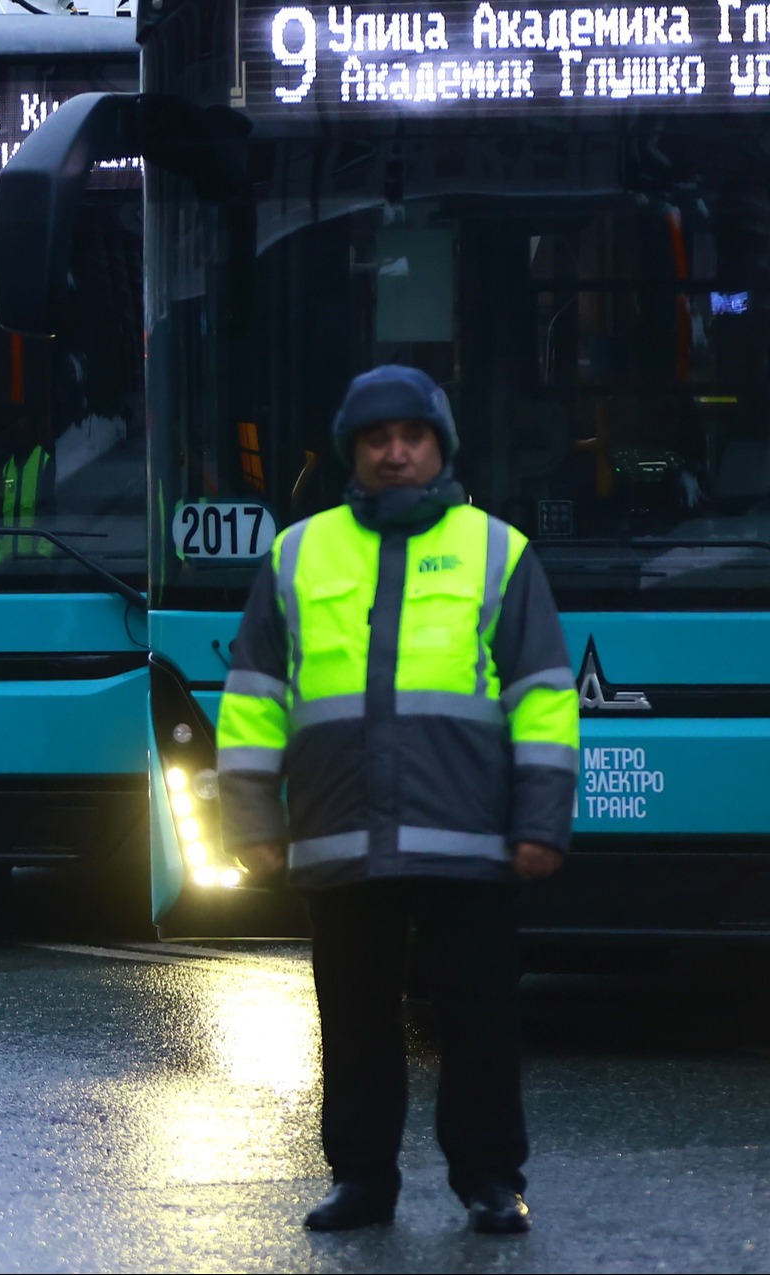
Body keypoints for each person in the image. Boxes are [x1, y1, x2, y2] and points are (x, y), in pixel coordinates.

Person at [216, 366, 579, 1238]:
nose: (395, 450)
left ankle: (491, 1179)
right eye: (376, 438)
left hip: (471, 834)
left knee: (482, 1016)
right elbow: (254, 697)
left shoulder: (500, 550)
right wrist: (255, 820)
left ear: (439, 447)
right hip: (343, 833)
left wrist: (539, 821)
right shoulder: (298, 552)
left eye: (411, 436)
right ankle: (361, 1180)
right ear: (353, 451)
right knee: (353, 1022)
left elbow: (543, 696)